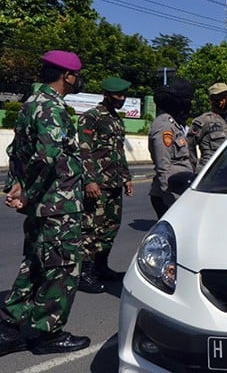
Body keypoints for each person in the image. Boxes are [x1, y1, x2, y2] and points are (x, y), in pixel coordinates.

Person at [0, 50, 90, 358]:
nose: (77, 79)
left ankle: (9, 332)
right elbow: (47, 157)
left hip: (42, 204)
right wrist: (26, 192)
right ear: (67, 76)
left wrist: (17, 186)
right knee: (62, 268)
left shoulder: (31, 104)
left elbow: (16, 151)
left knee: (34, 264)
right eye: (76, 75)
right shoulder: (52, 108)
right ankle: (48, 334)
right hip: (58, 205)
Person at [76, 76, 134, 294]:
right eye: (119, 95)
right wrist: (89, 180)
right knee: (91, 228)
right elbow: (83, 150)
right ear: (107, 95)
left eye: (124, 95)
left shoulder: (115, 120)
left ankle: (101, 267)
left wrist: (127, 177)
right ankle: (84, 273)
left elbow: (119, 152)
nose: (122, 99)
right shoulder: (92, 117)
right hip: (97, 184)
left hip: (114, 183)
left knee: (110, 227)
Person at [148, 77, 195, 219]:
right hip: (169, 191)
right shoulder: (164, 126)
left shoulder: (174, 123)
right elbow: (163, 165)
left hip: (178, 189)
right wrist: (168, 196)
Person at [188, 82, 227, 172]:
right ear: (211, 100)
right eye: (220, 97)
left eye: (226, 96)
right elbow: (189, 145)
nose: (224, 100)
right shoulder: (203, 121)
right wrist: (193, 169)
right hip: (210, 173)